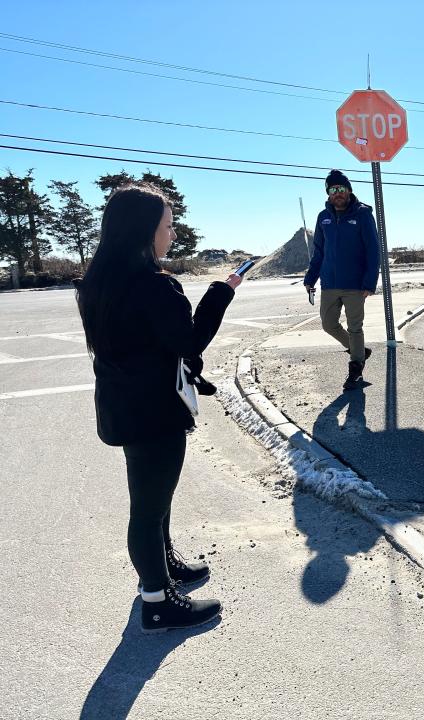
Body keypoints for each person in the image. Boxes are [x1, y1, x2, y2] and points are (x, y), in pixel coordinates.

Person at [75, 185, 242, 633]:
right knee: (148, 510)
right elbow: (189, 341)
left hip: (124, 408)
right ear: (145, 231)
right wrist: (220, 293)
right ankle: (157, 600)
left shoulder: (96, 283)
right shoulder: (154, 286)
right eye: (168, 226)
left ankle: (163, 568)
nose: (172, 233)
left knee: (153, 499)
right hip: (154, 412)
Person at [304, 170, 381, 390]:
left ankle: (355, 367)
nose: (337, 193)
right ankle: (360, 351)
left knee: (355, 327)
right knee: (328, 324)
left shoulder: (363, 214)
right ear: (328, 194)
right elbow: (319, 251)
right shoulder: (323, 217)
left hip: (355, 285)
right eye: (333, 190)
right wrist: (311, 278)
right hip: (329, 283)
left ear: (348, 190)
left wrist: (369, 283)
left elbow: (373, 250)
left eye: (341, 189)